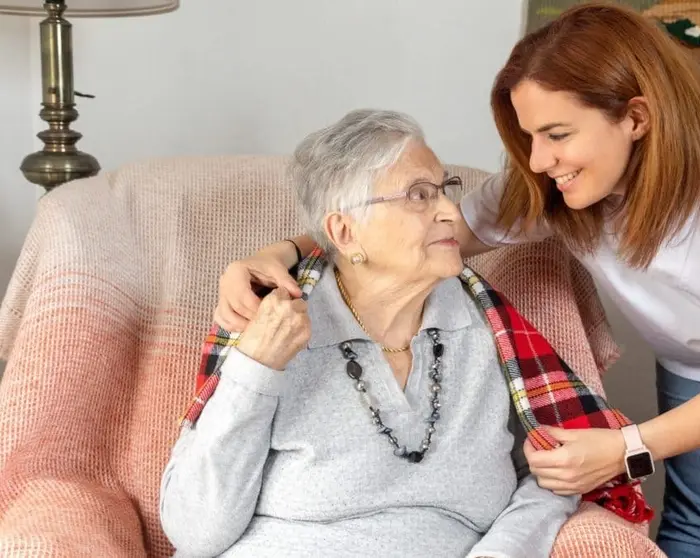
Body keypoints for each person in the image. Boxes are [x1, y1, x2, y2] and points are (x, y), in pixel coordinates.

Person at [211, 4, 700, 557]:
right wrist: (281, 249)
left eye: (557, 134)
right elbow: (429, 232)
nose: (538, 160)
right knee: (698, 530)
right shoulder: (555, 181)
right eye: (528, 135)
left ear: (636, 117)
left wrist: (627, 446)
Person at [159, 109, 580, 557]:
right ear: (345, 231)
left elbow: (560, 470)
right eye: (419, 195)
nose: (449, 212)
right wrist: (255, 370)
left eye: (444, 190)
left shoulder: (490, 332)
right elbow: (194, 533)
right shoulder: (274, 326)